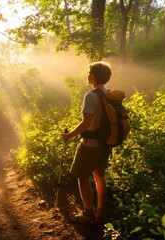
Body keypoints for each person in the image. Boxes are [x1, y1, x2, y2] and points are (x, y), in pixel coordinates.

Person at [62, 61, 112, 224]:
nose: (88, 75)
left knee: (83, 177)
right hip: (105, 144)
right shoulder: (109, 94)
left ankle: (88, 214)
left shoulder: (90, 96)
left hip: (90, 144)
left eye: (90, 73)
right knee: (99, 176)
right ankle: (100, 211)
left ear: (95, 76)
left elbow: (86, 122)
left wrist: (69, 136)